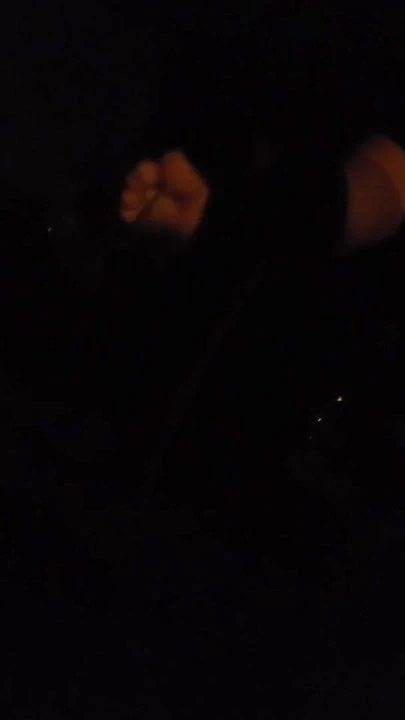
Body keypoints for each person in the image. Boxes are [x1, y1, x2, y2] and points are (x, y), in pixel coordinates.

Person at [3, 9, 405, 718]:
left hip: (262, 523)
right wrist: (208, 214)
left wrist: (235, 214)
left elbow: (375, 190)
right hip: (140, 461)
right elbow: (371, 188)